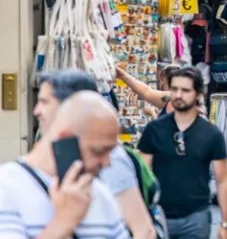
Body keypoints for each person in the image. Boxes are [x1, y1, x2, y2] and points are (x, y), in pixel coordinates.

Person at [31, 71, 157, 239]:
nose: (37, 111)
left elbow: (144, 230)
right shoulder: (19, 177)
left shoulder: (111, 159)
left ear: (73, 106)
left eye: (45, 102)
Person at [0, 91, 130, 239]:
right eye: (98, 151)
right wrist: (64, 221)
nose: (107, 163)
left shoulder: (101, 194)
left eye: (111, 151)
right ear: (65, 140)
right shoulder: (7, 188)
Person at [138, 67, 227, 239]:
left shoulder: (211, 134)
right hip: (159, 215)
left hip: (196, 217)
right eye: (174, 89)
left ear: (198, 94)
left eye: (185, 90)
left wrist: (226, 224)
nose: (178, 95)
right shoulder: (154, 130)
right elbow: (142, 175)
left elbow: (223, 180)